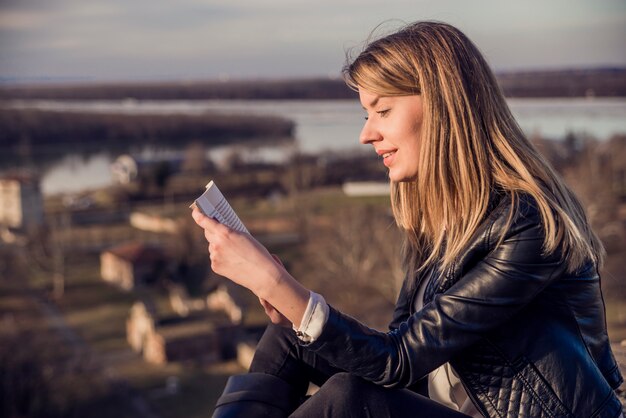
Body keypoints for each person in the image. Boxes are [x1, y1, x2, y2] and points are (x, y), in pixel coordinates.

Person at [193, 21, 624, 418]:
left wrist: (277, 284)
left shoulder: (525, 223)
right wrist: (290, 304)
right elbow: (402, 350)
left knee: (350, 399)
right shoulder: (438, 218)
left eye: (382, 111)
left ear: (441, 107)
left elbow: (397, 362)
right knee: (289, 339)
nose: (366, 134)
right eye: (367, 115)